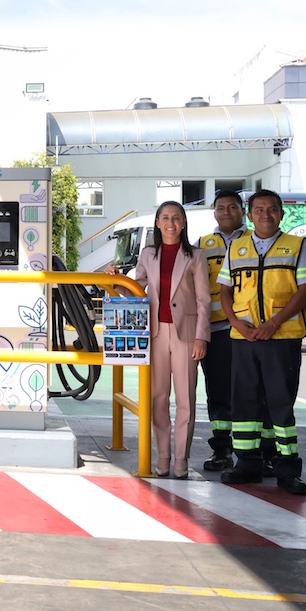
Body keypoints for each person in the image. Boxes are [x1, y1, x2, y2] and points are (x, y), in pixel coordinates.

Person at [218, 190, 306, 496]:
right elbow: (224, 290)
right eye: (259, 210)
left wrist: (273, 323)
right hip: (243, 338)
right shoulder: (236, 247)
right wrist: (235, 323)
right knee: (244, 401)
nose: (265, 215)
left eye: (272, 209)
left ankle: (286, 468)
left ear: (282, 214)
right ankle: (247, 463)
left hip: (281, 338)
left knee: (280, 403)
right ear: (250, 215)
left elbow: (305, 290)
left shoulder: (297, 246)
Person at [109, 202, 210, 478]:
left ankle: (181, 460)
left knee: (186, 400)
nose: (170, 222)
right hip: (154, 333)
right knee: (157, 398)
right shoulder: (148, 254)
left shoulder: (196, 256)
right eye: (165, 217)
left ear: (184, 223)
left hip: (186, 335)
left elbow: (204, 300)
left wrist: (202, 337)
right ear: (157, 222)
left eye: (176, 218)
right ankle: (163, 457)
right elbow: (134, 292)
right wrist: (114, 281)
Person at [196, 190, 248, 473]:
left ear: (242, 210)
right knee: (218, 392)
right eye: (220, 208)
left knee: (252, 392)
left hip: (248, 331)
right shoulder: (202, 245)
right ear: (214, 212)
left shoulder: (256, 240)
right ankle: (222, 450)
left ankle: (254, 453)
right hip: (215, 331)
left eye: (232, 207)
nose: (226, 212)